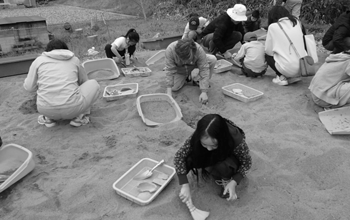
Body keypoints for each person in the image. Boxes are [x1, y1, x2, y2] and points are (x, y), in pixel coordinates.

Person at [174, 114, 252, 202]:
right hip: (212, 156)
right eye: (204, 144)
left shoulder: (236, 140)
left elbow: (247, 163)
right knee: (188, 157)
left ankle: (226, 179)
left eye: (214, 145)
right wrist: (184, 184)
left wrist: (234, 181)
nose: (209, 149)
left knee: (223, 165)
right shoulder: (200, 134)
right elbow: (179, 156)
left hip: (227, 157)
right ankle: (210, 165)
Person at [23, 39, 100, 127]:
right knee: (93, 84)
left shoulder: (38, 61)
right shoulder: (74, 60)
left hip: (45, 109)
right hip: (72, 108)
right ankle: (79, 118)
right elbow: (84, 81)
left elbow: (29, 87)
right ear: (66, 50)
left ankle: (48, 119)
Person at [165, 39, 217, 104]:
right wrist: (169, 94)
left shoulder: (198, 50)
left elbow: (204, 69)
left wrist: (204, 92)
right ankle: (186, 77)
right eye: (183, 59)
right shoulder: (170, 50)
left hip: (194, 64)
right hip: (180, 68)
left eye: (188, 59)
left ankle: (198, 80)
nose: (185, 61)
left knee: (212, 59)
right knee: (174, 88)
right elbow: (170, 70)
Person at [265, 6, 307, 86]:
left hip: (289, 68)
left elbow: (268, 50)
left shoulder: (273, 27)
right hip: (303, 66)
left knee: (267, 55)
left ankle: (281, 77)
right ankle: (294, 75)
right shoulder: (297, 23)